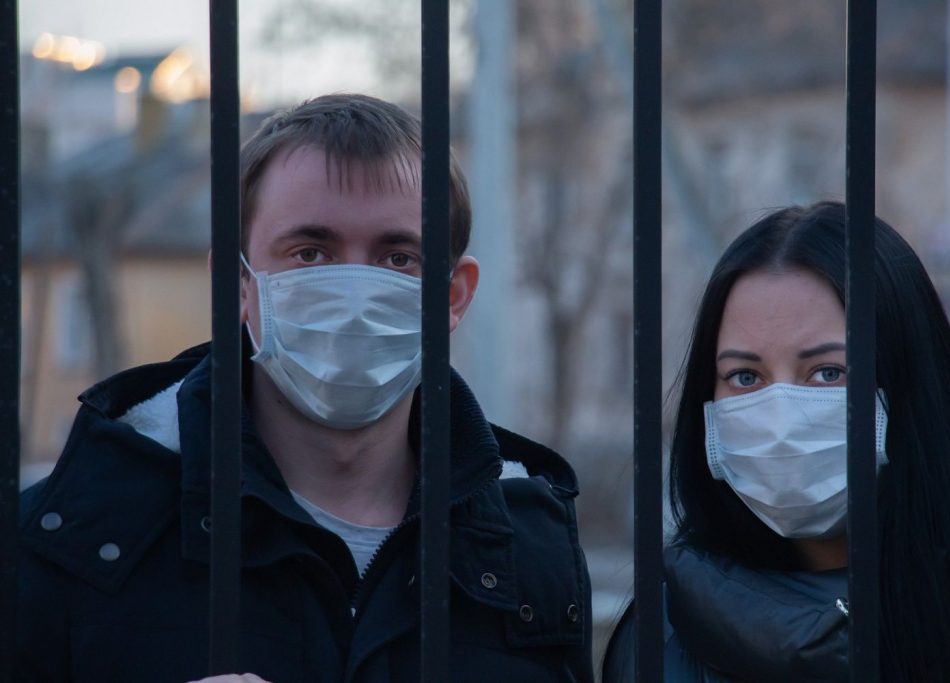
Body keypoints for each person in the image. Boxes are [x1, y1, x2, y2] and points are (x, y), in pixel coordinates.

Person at [18, 94, 593, 682]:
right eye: (310, 252)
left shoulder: (531, 546)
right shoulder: (78, 534)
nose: (352, 295)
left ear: (453, 296)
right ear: (238, 285)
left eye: (398, 258)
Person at [603, 201, 950, 681]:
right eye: (744, 376)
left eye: (828, 372)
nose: (781, 417)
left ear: (910, 382)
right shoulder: (661, 639)